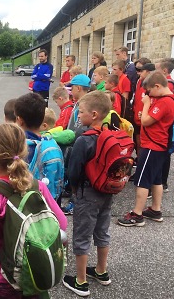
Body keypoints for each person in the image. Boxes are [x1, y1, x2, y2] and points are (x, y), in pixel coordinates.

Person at [0, 123, 67, 299]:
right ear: (23, 151)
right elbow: (62, 223)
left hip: (5, 278)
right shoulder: (37, 186)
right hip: (35, 272)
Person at [63, 91, 113, 297]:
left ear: (93, 114)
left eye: (80, 112)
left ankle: (81, 281)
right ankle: (101, 271)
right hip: (107, 192)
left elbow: (74, 171)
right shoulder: (110, 134)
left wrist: (73, 189)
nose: (78, 116)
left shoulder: (84, 140)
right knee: (102, 231)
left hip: (87, 193)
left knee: (82, 235)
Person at [117, 72, 174, 227]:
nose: (148, 94)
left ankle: (137, 214)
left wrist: (146, 103)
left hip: (153, 145)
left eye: (149, 91)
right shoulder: (166, 99)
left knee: (142, 180)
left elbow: (146, 121)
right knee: (156, 179)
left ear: (157, 86)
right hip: (159, 145)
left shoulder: (165, 102)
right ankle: (155, 210)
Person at [15, 93, 64, 200]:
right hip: (50, 205)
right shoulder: (52, 144)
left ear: (19, 120)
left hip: (24, 205)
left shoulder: (17, 146)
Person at [155, 57, 174, 192]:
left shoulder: (169, 84)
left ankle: (163, 182)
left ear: (164, 70)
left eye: (157, 69)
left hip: (166, 125)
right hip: (166, 124)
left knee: (164, 154)